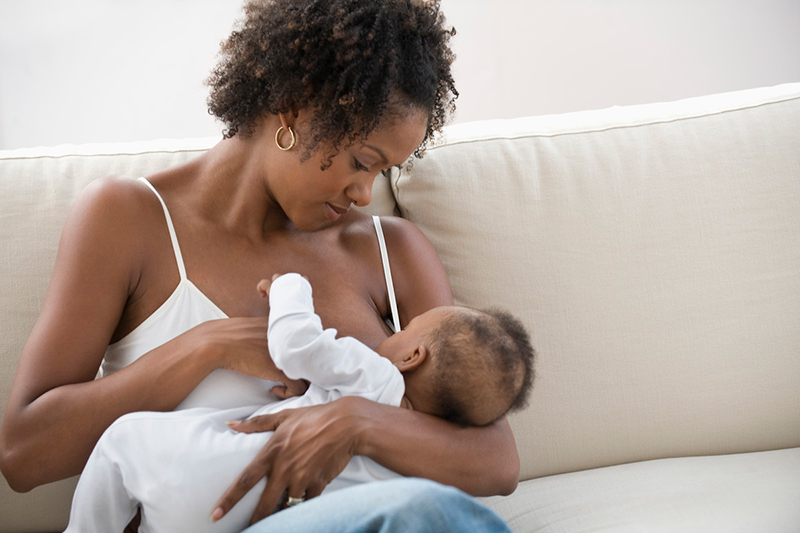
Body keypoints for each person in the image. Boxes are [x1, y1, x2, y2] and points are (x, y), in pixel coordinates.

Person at [0, 1, 523, 531]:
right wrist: (207, 347)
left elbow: (497, 461)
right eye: (362, 162)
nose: (366, 193)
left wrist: (355, 422)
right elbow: (23, 453)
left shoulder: (393, 251)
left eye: (384, 170)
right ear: (293, 106)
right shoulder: (127, 218)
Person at [65, 272, 536, 533]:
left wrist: (292, 286)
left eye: (403, 329)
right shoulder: (420, 458)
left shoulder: (375, 372)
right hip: (252, 516)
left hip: (198, 480)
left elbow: (295, 344)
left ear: (412, 355)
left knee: (123, 440)